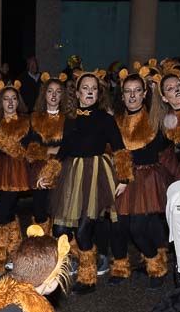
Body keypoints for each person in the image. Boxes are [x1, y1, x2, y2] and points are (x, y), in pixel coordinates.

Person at [51, 70, 125, 290]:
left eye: (94, 88)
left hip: (95, 176)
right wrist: (50, 172)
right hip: (71, 174)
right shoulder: (70, 118)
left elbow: (120, 149)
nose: (90, 91)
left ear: (99, 93)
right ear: (77, 92)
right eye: (86, 88)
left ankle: (88, 277)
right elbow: (64, 149)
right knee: (59, 230)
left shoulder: (106, 118)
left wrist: (125, 178)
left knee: (84, 231)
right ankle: (72, 262)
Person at [109, 67, 173, 289]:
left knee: (138, 228)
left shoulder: (155, 119)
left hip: (146, 180)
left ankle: (156, 266)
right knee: (117, 226)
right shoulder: (115, 120)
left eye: (137, 91)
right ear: (122, 94)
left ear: (145, 93)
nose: (133, 95)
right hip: (119, 178)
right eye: (128, 91)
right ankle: (120, 266)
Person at [0, 81, 39, 278]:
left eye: (14, 98)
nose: (10, 102)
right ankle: (14, 255)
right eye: (6, 99)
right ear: (0, 103)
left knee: (1, 214)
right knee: (9, 212)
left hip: (17, 171)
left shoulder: (26, 122)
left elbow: (33, 147)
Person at [27, 73, 69, 229]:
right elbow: (32, 149)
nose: (54, 95)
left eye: (58, 91)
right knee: (40, 211)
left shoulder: (68, 118)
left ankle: (62, 247)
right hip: (40, 169)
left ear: (62, 95)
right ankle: (42, 247)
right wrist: (52, 149)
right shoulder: (35, 118)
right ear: (44, 94)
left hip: (63, 168)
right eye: (50, 91)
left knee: (59, 210)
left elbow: (69, 146)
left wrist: (50, 150)